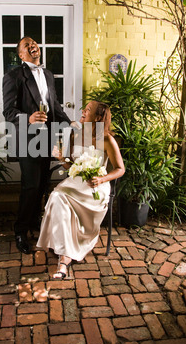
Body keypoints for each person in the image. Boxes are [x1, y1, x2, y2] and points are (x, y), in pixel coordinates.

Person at [36, 101, 125, 279]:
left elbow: (120, 169)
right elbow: (71, 167)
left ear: (98, 118)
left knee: (59, 197)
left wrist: (102, 178)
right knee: (57, 196)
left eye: (88, 110)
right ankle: (65, 255)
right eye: (84, 108)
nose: (82, 111)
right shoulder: (75, 135)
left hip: (95, 186)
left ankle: (64, 255)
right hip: (74, 182)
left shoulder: (107, 139)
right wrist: (62, 158)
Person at [2, 36, 72, 254]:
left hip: (47, 137)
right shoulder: (14, 75)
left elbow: (55, 106)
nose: (32, 46)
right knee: (30, 185)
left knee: (42, 183)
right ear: (21, 54)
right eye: (26, 45)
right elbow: (8, 111)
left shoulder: (48, 74)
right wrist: (29, 118)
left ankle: (34, 221)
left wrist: (71, 125)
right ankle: (20, 230)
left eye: (34, 43)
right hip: (27, 138)